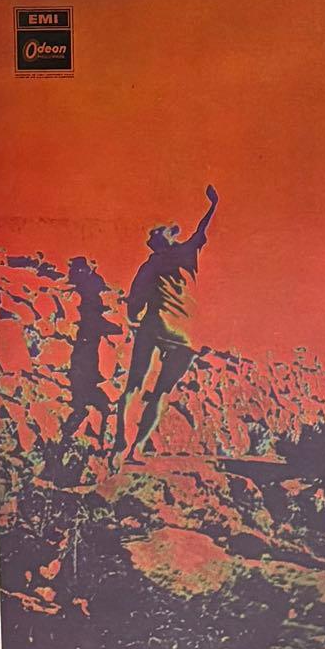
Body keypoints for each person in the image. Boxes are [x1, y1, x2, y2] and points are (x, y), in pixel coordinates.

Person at [113, 184, 219, 464]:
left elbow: (134, 307)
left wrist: (134, 319)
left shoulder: (149, 266)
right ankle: (137, 448)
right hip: (187, 333)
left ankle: (120, 444)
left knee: (134, 386)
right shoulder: (187, 253)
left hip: (156, 324)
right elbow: (202, 228)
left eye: (155, 232)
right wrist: (213, 205)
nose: (151, 237)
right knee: (161, 392)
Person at [60, 257, 121, 447]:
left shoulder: (86, 298)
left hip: (85, 367)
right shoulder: (88, 302)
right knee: (88, 407)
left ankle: (85, 443)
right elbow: (94, 322)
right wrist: (116, 328)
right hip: (84, 368)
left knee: (93, 407)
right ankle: (65, 442)